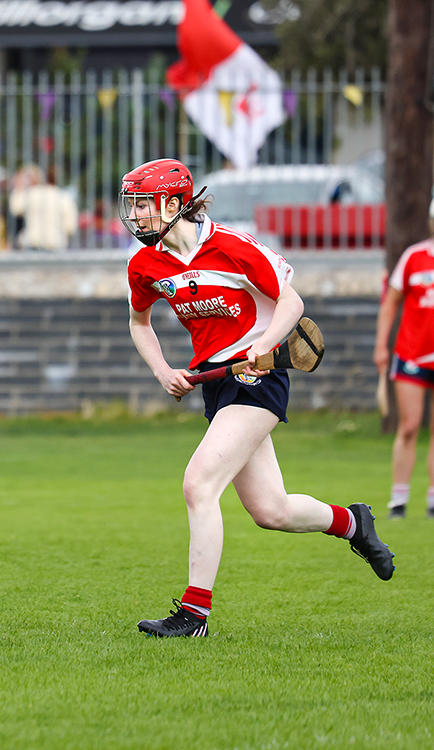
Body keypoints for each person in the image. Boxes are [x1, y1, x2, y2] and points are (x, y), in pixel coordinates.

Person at [121, 158, 394, 637]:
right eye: (134, 205)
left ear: (173, 202)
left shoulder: (232, 247)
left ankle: (194, 615)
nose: (136, 215)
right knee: (272, 510)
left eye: (144, 204)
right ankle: (353, 523)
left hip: (257, 378)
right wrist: (163, 371)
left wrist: (263, 346)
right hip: (215, 381)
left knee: (199, 483)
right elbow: (138, 322)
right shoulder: (145, 265)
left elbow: (292, 303)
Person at [373, 197, 434, 519]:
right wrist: (382, 345)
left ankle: (433, 499)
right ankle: (398, 500)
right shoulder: (414, 257)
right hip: (411, 353)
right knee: (409, 425)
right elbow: (390, 302)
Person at [8, 164, 77, 251]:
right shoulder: (65, 197)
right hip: (55, 245)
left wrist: (20, 186)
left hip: (33, 243)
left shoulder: (31, 194)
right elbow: (70, 227)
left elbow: (15, 208)